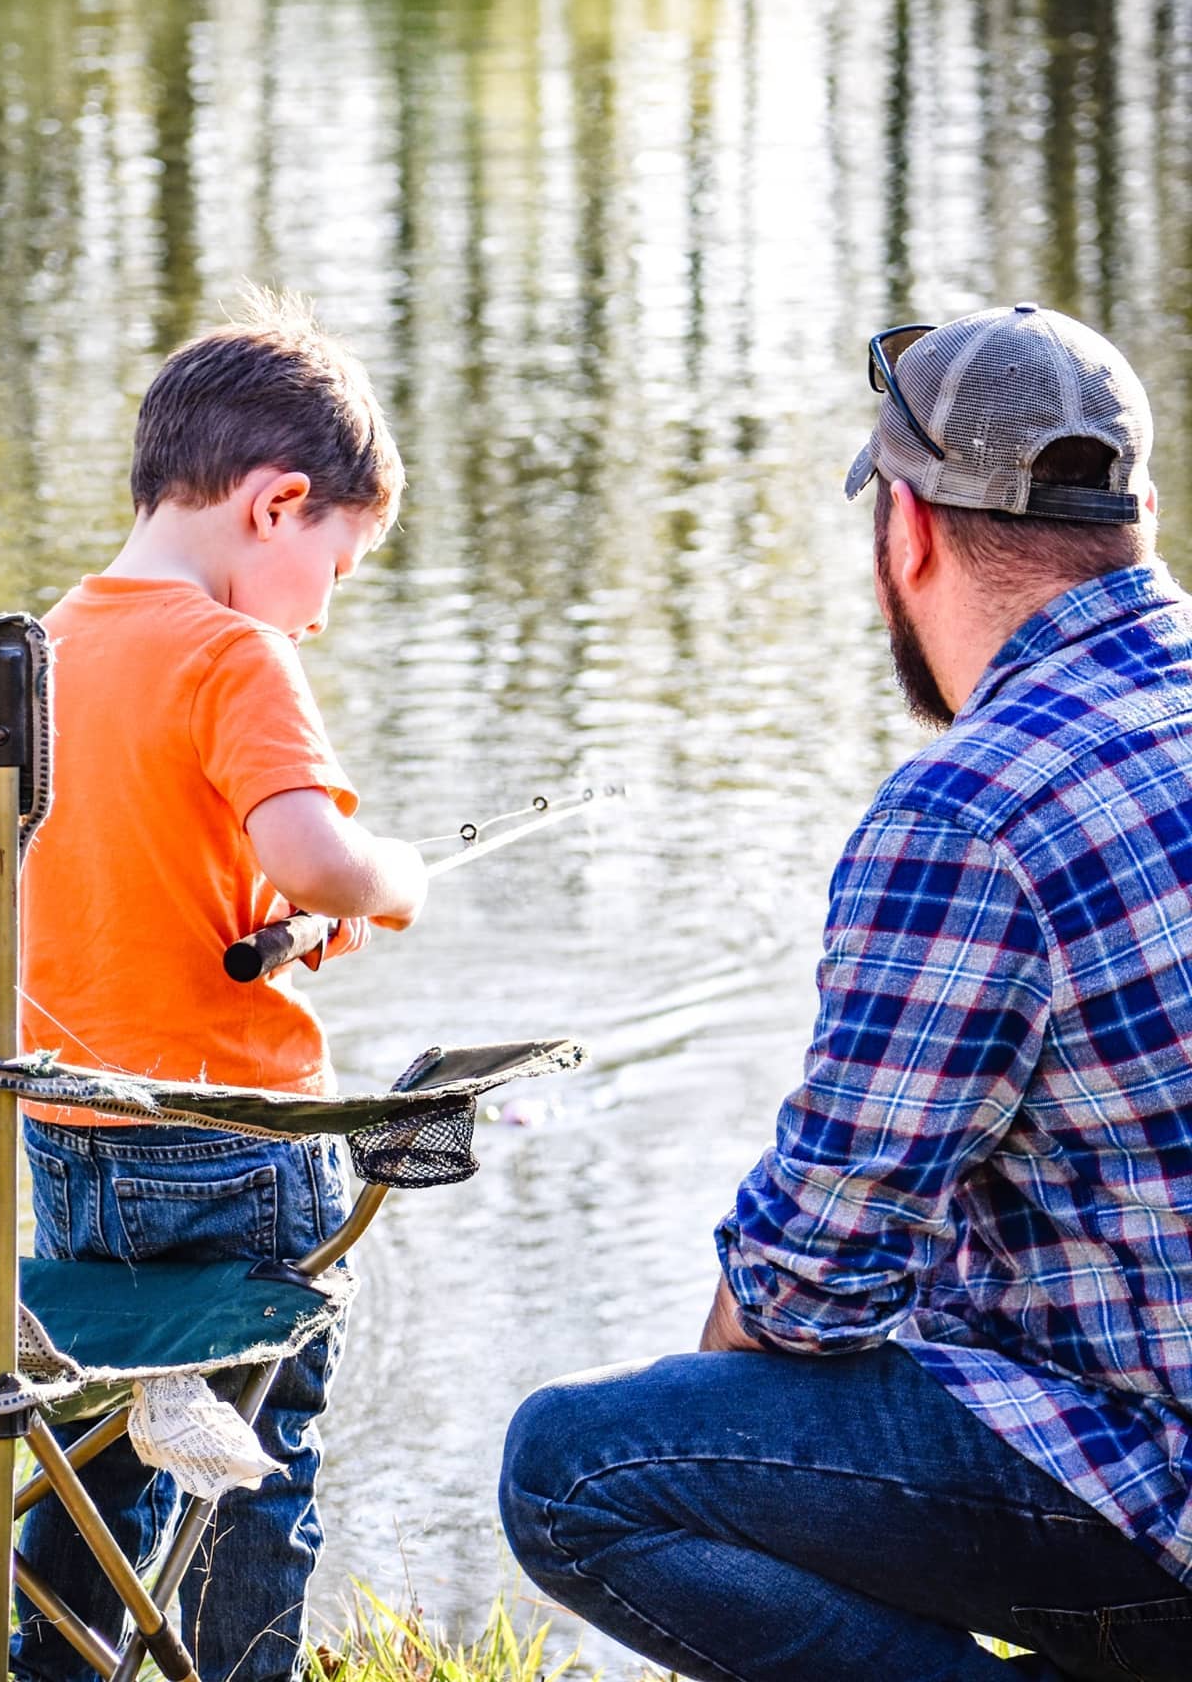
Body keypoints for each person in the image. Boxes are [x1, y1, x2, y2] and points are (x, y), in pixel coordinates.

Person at [500, 304, 1192, 1681]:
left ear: (910, 530)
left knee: (578, 1473)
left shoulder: (972, 810)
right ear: (1141, 513)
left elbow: (808, 1286)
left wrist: (721, 1399)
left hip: (1158, 1500)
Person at [9, 290, 428, 1682]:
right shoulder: (232, 651)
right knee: (265, 1446)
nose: (320, 612)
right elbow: (313, 859)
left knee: (94, 1437)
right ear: (278, 503)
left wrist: (275, 916)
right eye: (341, 563)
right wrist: (386, 878)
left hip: (64, 1148)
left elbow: (125, 882)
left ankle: (61, 1660)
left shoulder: (41, 650)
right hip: (234, 1147)